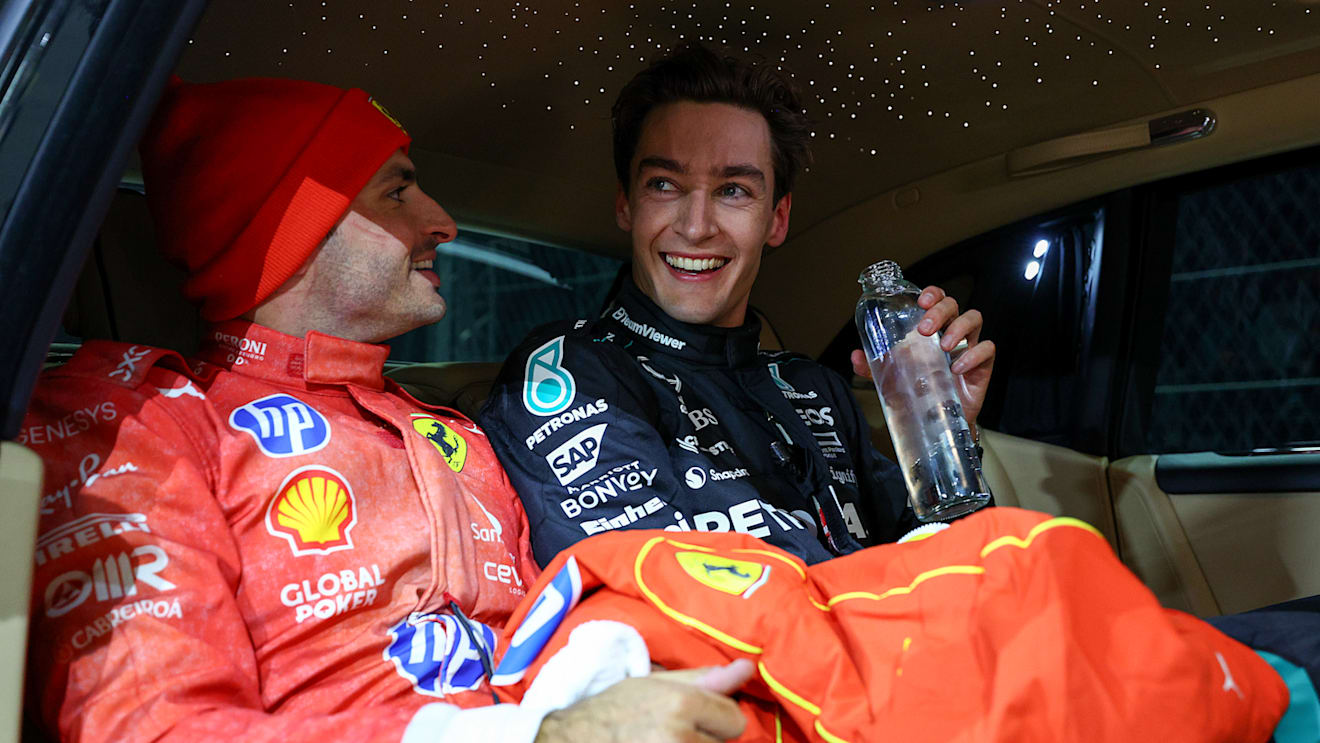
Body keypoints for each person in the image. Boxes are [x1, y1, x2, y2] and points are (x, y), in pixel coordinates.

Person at [22, 76, 751, 743]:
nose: (443, 223)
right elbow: (151, 727)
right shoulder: (136, 422)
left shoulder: (460, 425)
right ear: (292, 227)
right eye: (398, 193)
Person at [479, 44, 996, 567]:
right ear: (625, 204)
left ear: (777, 219)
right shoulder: (573, 370)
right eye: (664, 185)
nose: (696, 226)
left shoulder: (816, 388)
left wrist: (946, 432)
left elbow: (953, 568)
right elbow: (653, 587)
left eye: (732, 190)